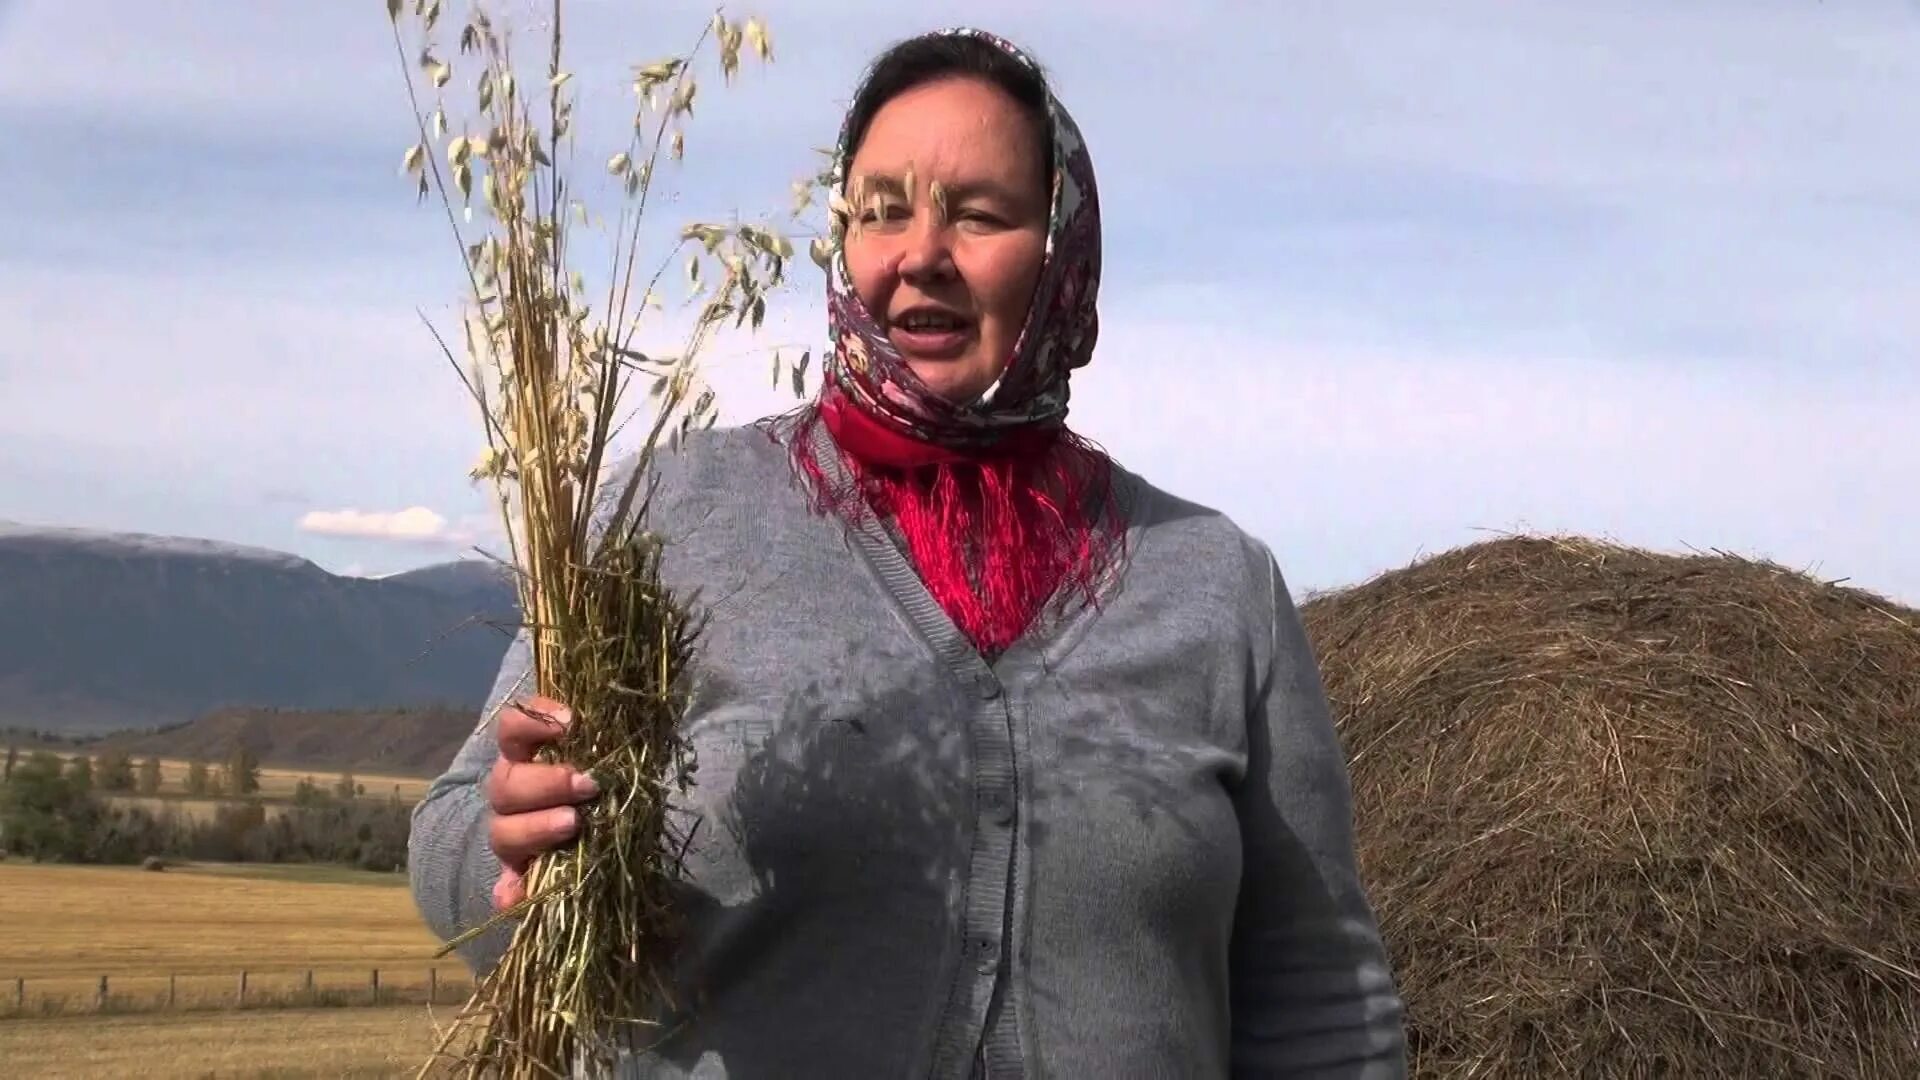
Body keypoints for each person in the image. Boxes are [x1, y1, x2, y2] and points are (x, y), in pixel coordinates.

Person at [410, 26, 1407, 1079]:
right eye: (881, 208)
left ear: (1065, 254)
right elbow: (453, 834)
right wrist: (508, 850)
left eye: (978, 214)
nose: (920, 251)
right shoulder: (676, 512)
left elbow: (1319, 994)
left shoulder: (1214, 583)